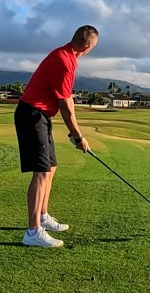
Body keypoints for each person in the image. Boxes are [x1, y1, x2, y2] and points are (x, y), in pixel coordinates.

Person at [14, 25, 98, 247]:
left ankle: (42, 216)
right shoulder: (64, 61)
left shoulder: (67, 57)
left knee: (50, 167)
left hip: (40, 115)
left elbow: (66, 99)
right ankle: (33, 233)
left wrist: (75, 133)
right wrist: (79, 137)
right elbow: (65, 105)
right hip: (31, 115)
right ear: (89, 47)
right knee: (41, 172)